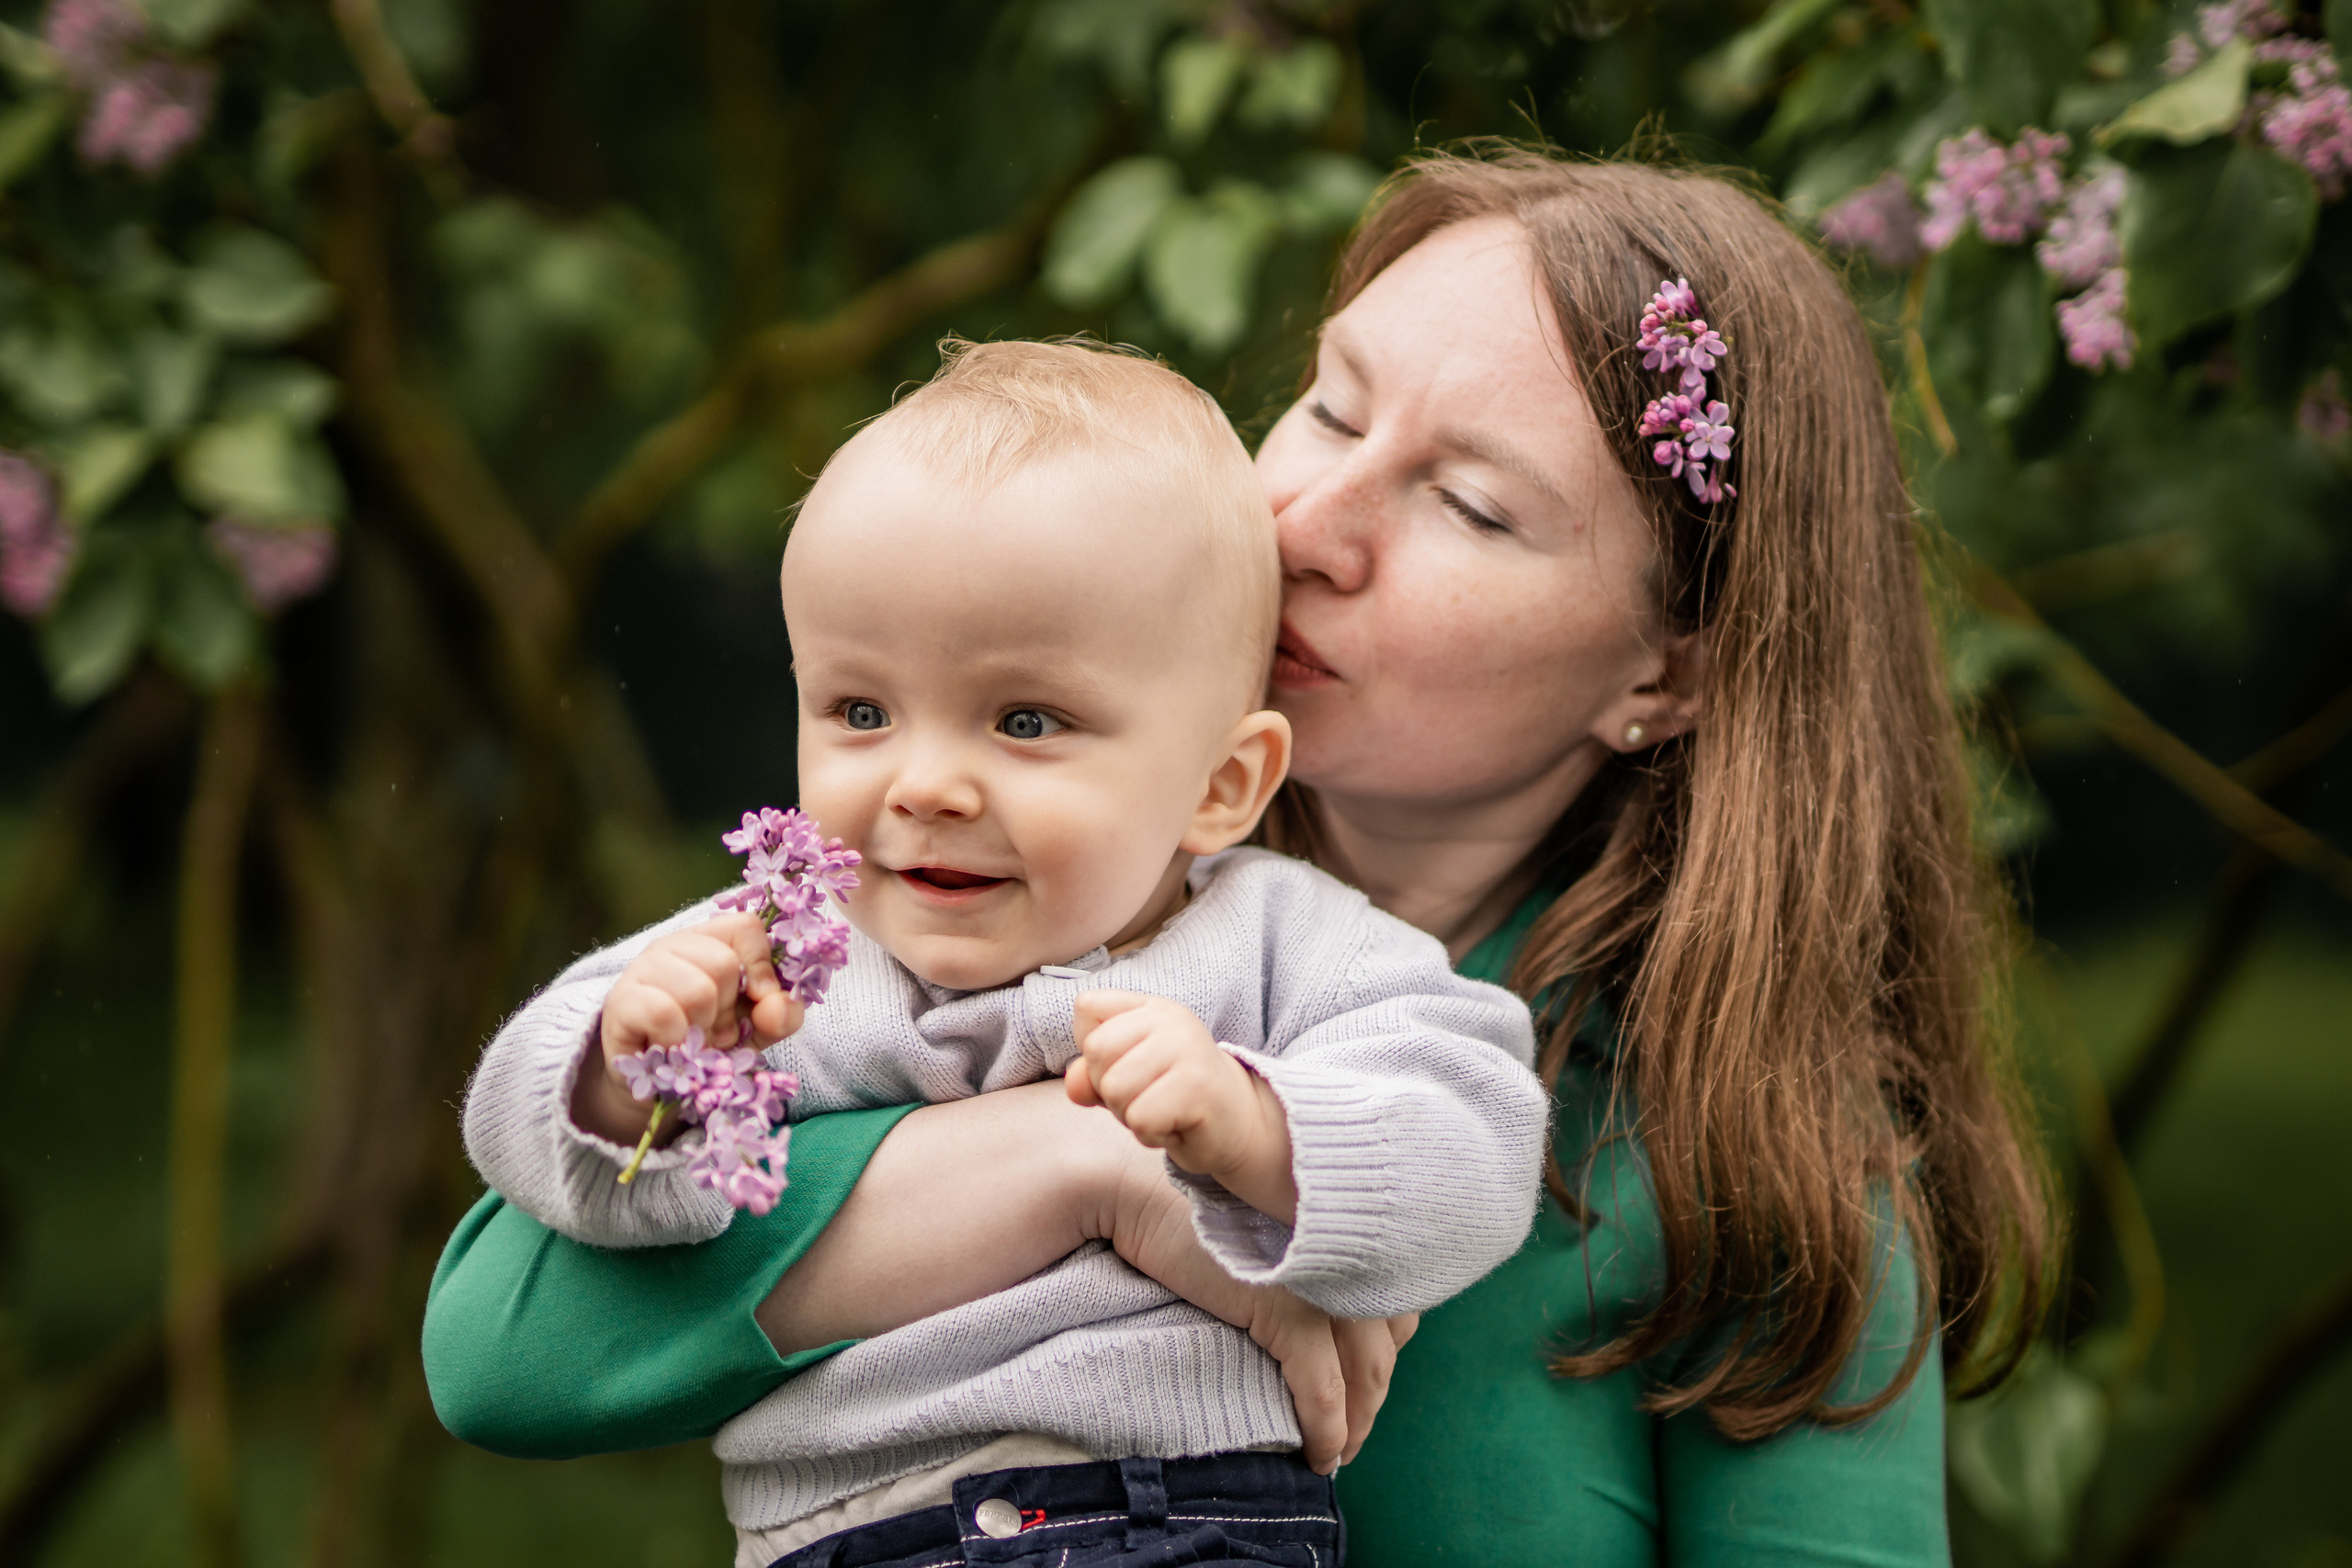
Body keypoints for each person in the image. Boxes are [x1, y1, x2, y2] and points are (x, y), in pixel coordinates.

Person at [425, 148, 2052, 1566]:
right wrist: (1103, 1176)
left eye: (1471, 507)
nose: (1306, 522)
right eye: (1331, 405)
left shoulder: (1743, 1156)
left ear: (1668, 674)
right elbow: (504, 1354)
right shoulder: (960, 895)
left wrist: (1244, 1156)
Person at [451, 337, 1547, 1568]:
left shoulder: (1281, 940)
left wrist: (1255, 1129)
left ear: (1222, 785)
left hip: (1173, 1521)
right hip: (849, 1538)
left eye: (1026, 721)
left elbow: (1479, 1137)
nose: (924, 784)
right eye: (861, 712)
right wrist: (618, 1069)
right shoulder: (779, 955)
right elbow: (536, 1157)